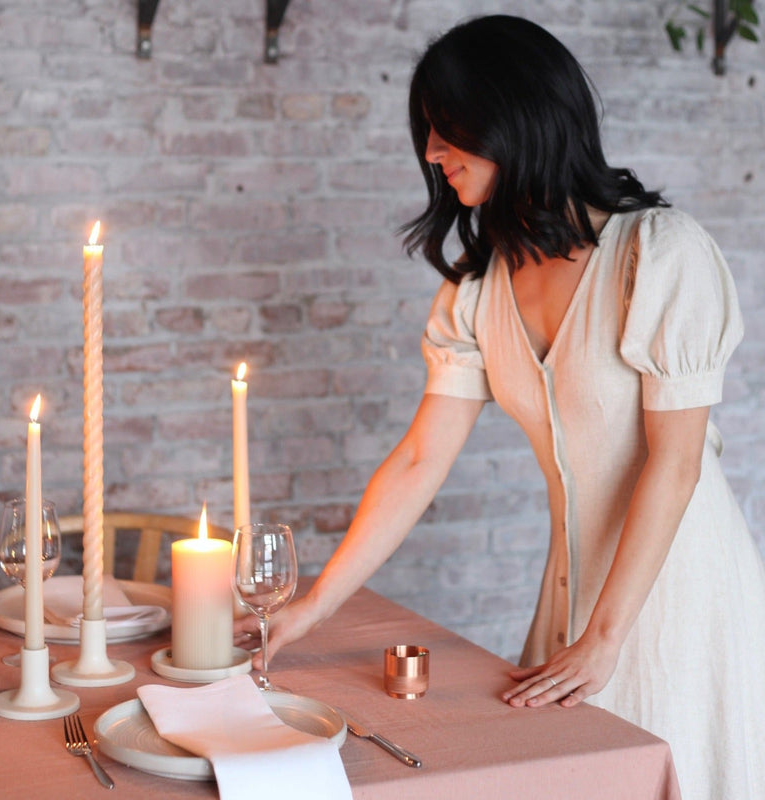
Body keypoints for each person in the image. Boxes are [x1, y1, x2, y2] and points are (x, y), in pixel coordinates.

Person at [235, 15, 765, 800]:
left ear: (518, 122)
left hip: (682, 598)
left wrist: (605, 639)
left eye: (448, 131)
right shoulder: (478, 292)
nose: (429, 153)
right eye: (427, 132)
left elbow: (676, 460)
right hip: (572, 600)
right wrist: (310, 610)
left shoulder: (659, 256)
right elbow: (418, 461)